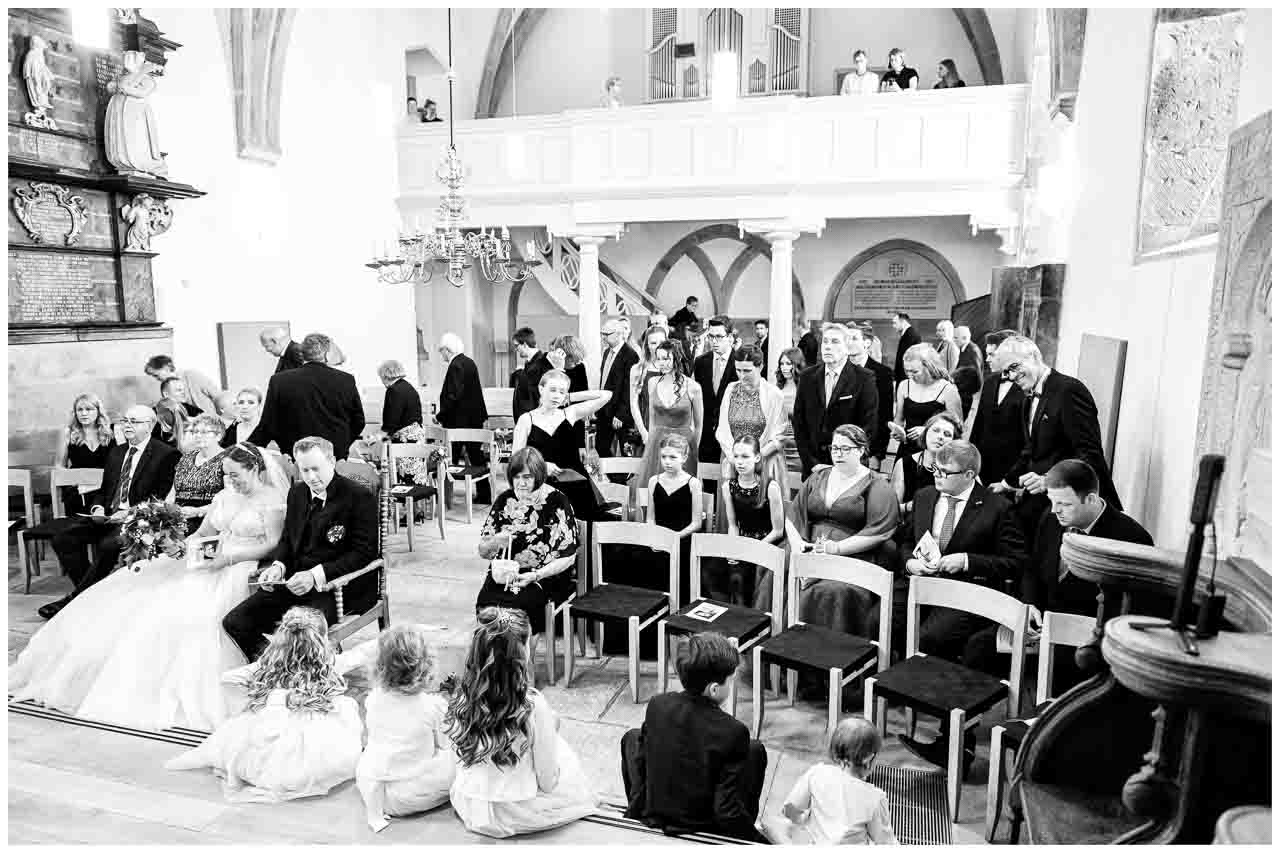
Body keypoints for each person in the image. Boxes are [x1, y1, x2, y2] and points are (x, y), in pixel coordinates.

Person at [11, 442, 289, 730]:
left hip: (239, 564)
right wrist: (182, 549)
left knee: (184, 613)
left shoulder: (273, 500)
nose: (229, 482)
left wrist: (227, 558)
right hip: (209, 557)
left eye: (235, 475)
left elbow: (272, 544)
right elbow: (206, 532)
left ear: (254, 468)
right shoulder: (224, 496)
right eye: (226, 475)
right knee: (139, 594)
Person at [896, 441, 1025, 772]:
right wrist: (911, 563)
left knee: (933, 638)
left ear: (969, 475)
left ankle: (950, 737)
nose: (937, 476)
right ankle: (902, 697)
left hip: (970, 593)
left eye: (945, 472)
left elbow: (1014, 562)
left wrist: (968, 561)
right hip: (922, 584)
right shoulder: (925, 496)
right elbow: (904, 542)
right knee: (878, 620)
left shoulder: (997, 508)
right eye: (934, 469)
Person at [166, 606, 362, 801]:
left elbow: (228, 679)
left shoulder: (267, 665)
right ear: (320, 641)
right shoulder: (330, 664)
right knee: (344, 709)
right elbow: (359, 655)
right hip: (312, 748)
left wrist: (271, 698)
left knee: (249, 747)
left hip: (268, 733)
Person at [222, 436, 379, 661]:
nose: (311, 477)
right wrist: (279, 565)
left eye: (316, 469)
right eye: (304, 470)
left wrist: (315, 576)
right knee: (236, 622)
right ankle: (275, 669)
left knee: (303, 633)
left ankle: (306, 680)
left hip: (337, 586)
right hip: (293, 581)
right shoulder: (297, 492)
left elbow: (364, 553)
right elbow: (288, 538)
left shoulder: (358, 496)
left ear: (332, 461)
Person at [447, 607, 598, 837]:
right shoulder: (532, 705)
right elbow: (548, 783)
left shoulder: (463, 695)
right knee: (563, 754)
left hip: (472, 804)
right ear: (521, 652)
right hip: (515, 812)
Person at [1016, 459, 1154, 695]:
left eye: (1064, 504)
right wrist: (1030, 605)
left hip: (1087, 641)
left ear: (1090, 499)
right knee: (979, 648)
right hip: (1042, 626)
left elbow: (1133, 609)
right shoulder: (1051, 519)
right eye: (1052, 501)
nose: (1055, 509)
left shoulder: (1132, 538)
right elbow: (1032, 568)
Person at [621, 632, 769, 842]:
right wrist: (760, 842)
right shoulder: (733, 731)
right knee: (755, 751)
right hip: (702, 824)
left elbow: (642, 762)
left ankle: (636, 810)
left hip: (657, 808)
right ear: (715, 689)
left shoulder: (658, 704)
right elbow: (726, 810)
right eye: (731, 680)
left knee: (633, 737)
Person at [40, 406, 180, 619]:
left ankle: (75, 600)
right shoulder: (117, 451)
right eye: (125, 421)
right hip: (108, 515)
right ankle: (93, 595)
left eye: (134, 421)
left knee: (108, 544)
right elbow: (105, 490)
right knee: (63, 539)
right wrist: (97, 507)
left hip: (139, 519)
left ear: (150, 425)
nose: (128, 425)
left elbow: (159, 498)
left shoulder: (166, 454)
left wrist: (128, 514)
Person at [989, 335, 1122, 534]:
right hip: (1042, 504)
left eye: (1014, 367)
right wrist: (1006, 483)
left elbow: (1089, 455)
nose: (1011, 376)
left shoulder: (1069, 391)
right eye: (1006, 372)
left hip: (1075, 508)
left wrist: (1046, 481)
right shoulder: (1027, 397)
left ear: (1034, 356)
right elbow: (1031, 450)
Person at [787, 425, 899, 641]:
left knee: (829, 591)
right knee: (780, 571)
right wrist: (797, 544)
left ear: (861, 450)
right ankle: (778, 649)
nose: (838, 454)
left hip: (852, 553)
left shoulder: (876, 484)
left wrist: (835, 549)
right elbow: (794, 513)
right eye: (834, 448)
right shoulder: (819, 476)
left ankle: (820, 652)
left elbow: (881, 530)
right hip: (808, 545)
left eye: (845, 449)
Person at [356, 625, 456, 832]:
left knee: (373, 751)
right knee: (457, 755)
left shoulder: (373, 698)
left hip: (375, 791)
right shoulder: (432, 705)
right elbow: (446, 744)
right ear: (426, 666)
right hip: (414, 794)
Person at [474, 449, 580, 635]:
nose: (521, 483)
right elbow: (483, 551)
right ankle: (494, 656)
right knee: (486, 606)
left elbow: (569, 557)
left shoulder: (558, 502)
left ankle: (517, 660)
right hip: (506, 575)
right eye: (516, 477)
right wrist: (496, 541)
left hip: (545, 577)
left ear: (539, 476)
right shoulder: (504, 500)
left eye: (527, 477)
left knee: (518, 611)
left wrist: (536, 575)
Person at [761, 716, 898, 845]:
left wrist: (804, 820)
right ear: (868, 760)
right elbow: (885, 842)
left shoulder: (817, 773)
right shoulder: (874, 798)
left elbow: (790, 809)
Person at [511, 370, 612, 522]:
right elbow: (516, 460)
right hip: (542, 486)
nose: (557, 395)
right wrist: (542, 466)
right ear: (540, 389)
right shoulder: (526, 419)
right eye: (552, 390)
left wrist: (570, 397)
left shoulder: (569, 413)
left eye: (561, 391)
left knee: (588, 529)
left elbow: (606, 395)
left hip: (577, 484)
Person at [250, 334, 366, 460]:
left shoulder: (279, 381)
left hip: (297, 456)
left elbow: (268, 425)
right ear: (326, 353)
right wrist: (342, 443)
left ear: (302, 354)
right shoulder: (346, 380)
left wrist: (244, 451)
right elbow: (358, 421)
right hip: (334, 456)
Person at [792, 324, 879, 478]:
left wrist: (841, 461)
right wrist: (812, 463)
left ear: (847, 348)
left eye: (835, 342)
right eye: (825, 341)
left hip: (849, 467)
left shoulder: (864, 378)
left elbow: (867, 426)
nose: (828, 347)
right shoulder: (807, 377)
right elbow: (799, 424)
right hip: (813, 468)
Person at [713, 435, 785, 611]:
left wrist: (753, 549)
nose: (739, 462)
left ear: (757, 458)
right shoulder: (728, 487)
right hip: (742, 542)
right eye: (736, 456)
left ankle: (748, 618)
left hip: (767, 543)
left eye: (745, 457)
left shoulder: (770, 486)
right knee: (713, 569)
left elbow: (778, 530)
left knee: (740, 576)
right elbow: (733, 525)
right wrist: (734, 549)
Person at [714, 344, 788, 486]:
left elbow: (780, 435)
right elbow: (722, 429)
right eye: (738, 370)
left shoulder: (774, 394)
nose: (742, 376)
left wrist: (753, 459)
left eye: (747, 371)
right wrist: (735, 458)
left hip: (763, 463)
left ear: (760, 367)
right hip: (732, 462)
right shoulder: (730, 390)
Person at [637, 340, 703, 483]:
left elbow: (698, 426)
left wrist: (692, 451)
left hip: (683, 445)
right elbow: (652, 420)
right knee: (654, 490)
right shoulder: (652, 382)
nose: (662, 363)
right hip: (657, 444)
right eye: (659, 359)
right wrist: (649, 445)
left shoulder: (693, 387)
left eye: (666, 358)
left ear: (677, 358)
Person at [437, 332, 491, 501]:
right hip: (473, 419)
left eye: (441, 351)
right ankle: (484, 494)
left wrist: (440, 415)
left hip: (459, 422)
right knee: (476, 457)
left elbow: (453, 395)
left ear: (447, 349)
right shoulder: (468, 362)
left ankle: (445, 497)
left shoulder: (456, 365)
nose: (441, 355)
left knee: (449, 459)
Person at [969, 329, 1025, 485]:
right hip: (983, 465)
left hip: (1012, 469)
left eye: (992, 355)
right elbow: (978, 424)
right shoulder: (990, 381)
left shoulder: (1027, 386)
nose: (987, 359)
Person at [888, 343, 963, 458]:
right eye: (907, 371)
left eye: (915, 372)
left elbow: (957, 428)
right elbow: (899, 418)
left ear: (929, 367)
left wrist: (929, 431)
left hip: (935, 452)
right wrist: (897, 431)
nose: (910, 376)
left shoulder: (948, 390)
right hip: (907, 449)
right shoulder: (904, 386)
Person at [103, 50, 167, 176]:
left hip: (135, 116)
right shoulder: (123, 78)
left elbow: (137, 91)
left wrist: (140, 73)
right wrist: (136, 75)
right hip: (119, 113)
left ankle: (140, 164)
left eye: (132, 59)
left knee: (135, 140)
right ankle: (124, 162)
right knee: (121, 138)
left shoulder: (147, 79)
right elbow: (115, 87)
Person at [54, 392, 117, 515]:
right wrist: (77, 480)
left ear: (98, 411)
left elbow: (123, 463)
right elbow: (58, 466)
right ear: (75, 413)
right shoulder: (68, 433)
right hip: (78, 490)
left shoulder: (113, 431)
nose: (83, 413)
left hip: (107, 490)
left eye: (89, 409)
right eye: (79, 410)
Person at [166, 413, 230, 535]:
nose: (198, 436)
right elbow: (173, 492)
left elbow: (229, 501)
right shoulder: (187, 457)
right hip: (178, 517)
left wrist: (197, 511)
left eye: (205, 432)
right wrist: (166, 511)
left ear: (218, 435)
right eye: (195, 432)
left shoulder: (228, 459)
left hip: (208, 519)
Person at [891, 411, 964, 513]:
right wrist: (910, 506)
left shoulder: (960, 467)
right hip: (911, 523)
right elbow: (892, 510)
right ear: (925, 434)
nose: (940, 437)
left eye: (947, 434)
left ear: (953, 442)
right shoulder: (904, 463)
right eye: (936, 430)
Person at [692, 316, 741, 466]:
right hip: (705, 434)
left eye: (719, 337)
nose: (714, 341)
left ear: (730, 337)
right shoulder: (701, 362)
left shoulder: (740, 362)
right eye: (711, 337)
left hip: (731, 436)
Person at [847, 324, 894, 467]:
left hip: (869, 450)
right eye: (846, 338)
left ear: (866, 343)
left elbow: (885, 415)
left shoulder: (882, 373)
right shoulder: (837, 370)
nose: (848, 342)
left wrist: (877, 454)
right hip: (841, 447)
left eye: (854, 338)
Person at [597, 318, 641, 459]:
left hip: (619, 413)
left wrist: (622, 414)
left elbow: (630, 388)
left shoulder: (631, 355)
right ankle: (614, 477)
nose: (603, 337)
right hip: (604, 409)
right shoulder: (606, 352)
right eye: (602, 333)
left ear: (618, 334)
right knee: (601, 447)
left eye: (607, 334)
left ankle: (621, 479)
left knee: (625, 450)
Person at [547, 334, 591, 460]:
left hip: (572, 430)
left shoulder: (579, 368)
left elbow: (581, 409)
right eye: (574, 359)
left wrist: (581, 445)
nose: (577, 362)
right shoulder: (547, 371)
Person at [629, 323, 670, 442]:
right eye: (653, 343)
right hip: (647, 427)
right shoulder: (638, 369)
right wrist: (643, 432)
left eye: (661, 342)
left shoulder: (674, 368)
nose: (658, 346)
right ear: (646, 345)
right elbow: (633, 404)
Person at [144, 354, 221, 417]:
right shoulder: (167, 388)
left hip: (211, 424)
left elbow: (218, 396)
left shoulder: (192, 375)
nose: (157, 379)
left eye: (156, 375)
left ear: (166, 368)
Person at [511, 327, 553, 422]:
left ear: (525, 344)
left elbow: (540, 396)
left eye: (517, 345)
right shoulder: (528, 365)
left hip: (535, 421)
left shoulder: (542, 363)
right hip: (525, 420)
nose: (516, 349)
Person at [775, 347, 806, 474]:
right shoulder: (777, 388)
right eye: (782, 364)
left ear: (797, 364)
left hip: (798, 447)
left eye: (788, 363)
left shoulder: (804, 388)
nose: (784, 367)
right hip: (778, 446)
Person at [153, 376, 198, 450]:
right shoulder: (154, 414)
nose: (183, 393)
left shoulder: (193, 410)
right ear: (166, 394)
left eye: (183, 390)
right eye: (179, 390)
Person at [890, 312, 922, 384]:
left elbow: (906, 358)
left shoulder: (911, 335)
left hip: (906, 378)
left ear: (903, 322)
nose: (893, 326)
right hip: (903, 377)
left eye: (895, 323)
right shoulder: (907, 333)